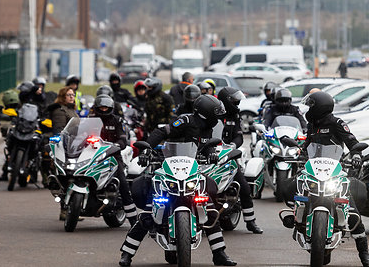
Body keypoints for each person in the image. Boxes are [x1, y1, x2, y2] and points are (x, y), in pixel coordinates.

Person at [119, 95, 236, 266]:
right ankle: (127, 254)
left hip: (191, 170)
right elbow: (161, 132)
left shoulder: (208, 129)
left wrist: (211, 152)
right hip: (167, 167)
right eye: (215, 114)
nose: (217, 118)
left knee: (210, 210)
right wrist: (146, 150)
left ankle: (219, 253)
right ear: (206, 113)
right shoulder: (185, 120)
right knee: (148, 212)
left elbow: (206, 144)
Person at [300, 91, 369, 267]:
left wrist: (356, 154)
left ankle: (364, 254)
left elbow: (351, 141)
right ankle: (298, 221)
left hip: (334, 171)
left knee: (352, 212)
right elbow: (307, 145)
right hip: (314, 171)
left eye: (311, 105)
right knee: (299, 195)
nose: (309, 109)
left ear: (319, 107)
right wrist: (300, 152)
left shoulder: (337, 123)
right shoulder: (312, 124)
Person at [217, 87, 263, 234]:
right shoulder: (213, 113)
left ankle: (250, 221)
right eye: (234, 101)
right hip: (209, 155)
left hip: (228, 156)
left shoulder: (234, 115)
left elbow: (239, 136)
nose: (237, 104)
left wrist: (232, 146)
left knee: (243, 186)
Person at [92, 94, 137, 225]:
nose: (103, 109)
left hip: (112, 156)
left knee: (122, 183)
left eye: (106, 107)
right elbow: (80, 135)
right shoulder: (90, 120)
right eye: (101, 107)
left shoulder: (117, 121)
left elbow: (123, 139)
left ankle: (133, 219)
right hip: (92, 156)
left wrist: (117, 145)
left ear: (110, 107)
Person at [48, 87, 79, 220]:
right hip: (64, 150)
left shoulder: (71, 109)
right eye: (69, 95)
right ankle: (65, 210)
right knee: (65, 179)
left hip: (74, 148)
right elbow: (60, 131)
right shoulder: (60, 111)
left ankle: (73, 208)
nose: (72, 97)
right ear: (62, 96)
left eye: (73, 95)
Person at [0, 90, 20, 181]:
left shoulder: (5, 113)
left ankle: (5, 173)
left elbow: (3, 129)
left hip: (13, 138)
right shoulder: (21, 110)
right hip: (19, 135)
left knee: (9, 154)